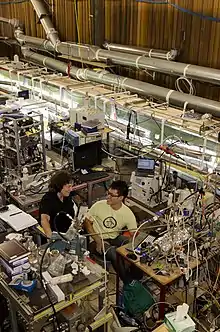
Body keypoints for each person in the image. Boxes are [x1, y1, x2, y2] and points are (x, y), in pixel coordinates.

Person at [84, 180, 137, 278]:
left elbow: (134, 234)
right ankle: (127, 282)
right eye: (108, 193)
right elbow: (87, 222)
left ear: (121, 198)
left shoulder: (127, 213)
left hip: (113, 238)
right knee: (113, 252)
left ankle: (137, 275)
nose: (108, 196)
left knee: (129, 244)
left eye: (112, 195)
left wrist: (135, 245)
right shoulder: (99, 205)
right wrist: (98, 240)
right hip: (96, 240)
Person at [39, 170, 75, 238]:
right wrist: (51, 238)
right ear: (60, 186)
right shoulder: (48, 199)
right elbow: (44, 220)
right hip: (57, 235)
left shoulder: (67, 196)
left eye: (71, 186)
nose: (71, 189)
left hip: (68, 233)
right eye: (68, 186)